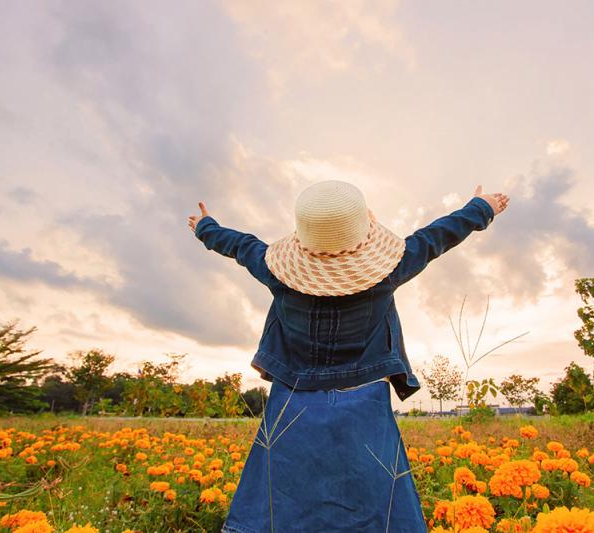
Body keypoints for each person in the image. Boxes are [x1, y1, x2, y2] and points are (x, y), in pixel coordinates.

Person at [188, 180, 508, 532]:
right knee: (370, 494)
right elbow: (437, 237)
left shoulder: (273, 270)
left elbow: (240, 245)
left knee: (287, 491)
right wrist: (482, 207)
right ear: (364, 233)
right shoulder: (391, 269)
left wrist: (206, 227)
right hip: (365, 400)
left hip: (292, 399)